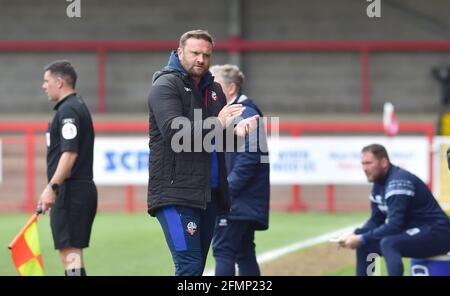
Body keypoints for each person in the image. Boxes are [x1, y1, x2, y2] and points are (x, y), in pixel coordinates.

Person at [147, 29, 259, 276]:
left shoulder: (215, 89)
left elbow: (215, 138)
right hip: (174, 194)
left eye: (206, 55)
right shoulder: (165, 84)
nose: (201, 59)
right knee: (189, 266)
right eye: (195, 53)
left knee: (195, 268)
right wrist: (219, 123)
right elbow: (174, 132)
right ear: (180, 52)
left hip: (207, 195)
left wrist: (238, 134)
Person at [340, 144, 450, 276]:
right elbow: (376, 220)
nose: (364, 168)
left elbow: (394, 225)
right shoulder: (378, 185)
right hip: (416, 233)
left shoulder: (398, 182)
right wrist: (356, 234)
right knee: (366, 246)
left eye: (368, 163)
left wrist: (362, 238)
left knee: (389, 243)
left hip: (438, 233)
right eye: (363, 164)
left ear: (384, 162)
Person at [209, 64, 270, 276]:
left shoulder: (245, 113)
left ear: (231, 88)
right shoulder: (235, 112)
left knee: (224, 250)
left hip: (237, 200)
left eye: (215, 84)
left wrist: (227, 189)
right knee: (244, 252)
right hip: (244, 200)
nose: (211, 89)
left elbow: (250, 157)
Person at [39, 60, 97, 276]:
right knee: (70, 255)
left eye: (46, 81)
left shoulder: (69, 110)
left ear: (59, 82)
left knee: (70, 255)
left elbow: (70, 153)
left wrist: (52, 187)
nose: (44, 86)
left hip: (71, 192)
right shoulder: (75, 106)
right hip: (74, 191)